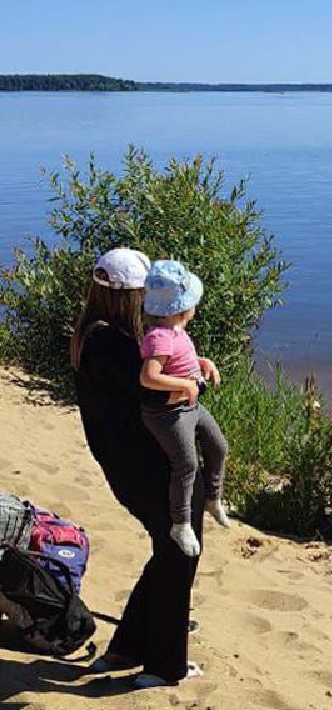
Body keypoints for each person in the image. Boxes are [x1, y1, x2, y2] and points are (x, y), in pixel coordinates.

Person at [70, 248, 218, 687]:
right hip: (145, 466)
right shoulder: (110, 344)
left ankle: (127, 648)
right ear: (129, 296)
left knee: (169, 551)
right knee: (179, 554)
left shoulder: (96, 334)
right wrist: (194, 385)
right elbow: (156, 394)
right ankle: (163, 665)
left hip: (129, 462)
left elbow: (145, 382)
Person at [139, 260, 230, 558]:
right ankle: (180, 523)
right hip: (168, 415)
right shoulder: (158, 337)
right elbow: (149, 376)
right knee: (186, 465)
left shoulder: (175, 331)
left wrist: (204, 364)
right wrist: (187, 385)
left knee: (218, 446)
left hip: (189, 407)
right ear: (182, 307)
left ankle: (212, 498)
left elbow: (182, 359)